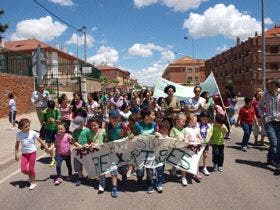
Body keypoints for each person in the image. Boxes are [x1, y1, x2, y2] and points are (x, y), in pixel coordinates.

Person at [15, 118, 50, 190]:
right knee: (23, 170)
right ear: (21, 128)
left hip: (32, 153)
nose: (28, 128)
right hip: (24, 154)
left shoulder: (33, 132)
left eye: (28, 126)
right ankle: (31, 175)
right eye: (26, 127)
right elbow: (17, 145)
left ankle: (33, 182)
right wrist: (16, 154)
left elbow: (41, 141)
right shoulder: (19, 134)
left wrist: (47, 148)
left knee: (31, 168)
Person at [105, 109, 128, 198]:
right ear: (110, 118)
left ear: (119, 118)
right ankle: (114, 187)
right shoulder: (107, 126)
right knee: (113, 169)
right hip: (112, 151)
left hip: (122, 151)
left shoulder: (123, 126)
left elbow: (128, 137)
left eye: (116, 117)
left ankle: (124, 176)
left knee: (122, 168)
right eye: (112, 117)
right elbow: (107, 137)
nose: (115, 119)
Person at [258, 79, 280, 174]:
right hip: (269, 121)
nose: (268, 86)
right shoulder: (265, 95)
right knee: (274, 142)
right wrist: (263, 116)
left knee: (276, 143)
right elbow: (260, 107)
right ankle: (278, 164)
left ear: (275, 86)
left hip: (279, 121)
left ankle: (270, 158)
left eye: (270, 85)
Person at [134, 108, 157, 193]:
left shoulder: (154, 124)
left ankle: (149, 184)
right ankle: (139, 177)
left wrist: (157, 135)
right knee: (140, 171)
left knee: (150, 170)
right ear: (147, 117)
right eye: (153, 115)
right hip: (140, 151)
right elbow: (134, 137)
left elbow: (155, 135)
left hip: (151, 151)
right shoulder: (137, 125)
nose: (154, 117)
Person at [72, 116, 92, 186]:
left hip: (86, 150)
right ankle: (80, 176)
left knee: (89, 163)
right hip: (78, 150)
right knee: (78, 163)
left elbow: (90, 140)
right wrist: (77, 145)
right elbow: (73, 141)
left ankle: (91, 174)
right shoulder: (75, 131)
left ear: (83, 123)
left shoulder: (87, 130)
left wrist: (88, 144)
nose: (76, 127)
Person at [88, 118, 107, 193]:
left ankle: (102, 184)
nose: (93, 127)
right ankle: (102, 182)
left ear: (98, 124)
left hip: (103, 152)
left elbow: (106, 140)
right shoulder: (90, 132)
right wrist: (90, 144)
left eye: (94, 125)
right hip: (94, 153)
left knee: (102, 169)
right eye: (91, 125)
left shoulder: (103, 131)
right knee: (98, 168)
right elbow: (89, 141)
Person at [41, 100, 61, 167]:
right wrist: (46, 121)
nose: (51, 109)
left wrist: (54, 120)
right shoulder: (45, 111)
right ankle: (52, 159)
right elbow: (42, 122)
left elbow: (59, 121)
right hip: (48, 129)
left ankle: (57, 156)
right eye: (50, 108)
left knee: (56, 144)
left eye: (52, 107)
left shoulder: (57, 111)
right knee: (49, 144)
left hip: (55, 129)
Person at [153, 119, 170, 193]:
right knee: (158, 169)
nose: (165, 131)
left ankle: (160, 177)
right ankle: (159, 184)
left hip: (163, 155)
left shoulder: (167, 135)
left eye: (167, 130)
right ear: (160, 129)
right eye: (164, 130)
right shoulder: (157, 134)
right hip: (156, 156)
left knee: (162, 168)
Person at [169, 112, 187, 178]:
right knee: (175, 159)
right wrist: (177, 138)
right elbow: (171, 138)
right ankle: (174, 167)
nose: (184, 123)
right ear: (177, 121)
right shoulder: (173, 129)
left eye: (185, 122)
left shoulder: (183, 129)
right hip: (175, 148)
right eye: (183, 121)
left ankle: (183, 177)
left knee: (182, 161)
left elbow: (186, 137)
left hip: (183, 148)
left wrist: (186, 139)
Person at [197, 111, 213, 176]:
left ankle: (204, 167)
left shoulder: (209, 125)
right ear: (200, 118)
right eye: (204, 119)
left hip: (206, 142)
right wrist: (200, 140)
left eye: (207, 119)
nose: (205, 120)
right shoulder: (198, 124)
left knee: (205, 155)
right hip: (199, 142)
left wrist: (208, 140)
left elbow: (210, 134)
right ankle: (196, 168)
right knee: (198, 156)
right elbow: (197, 133)